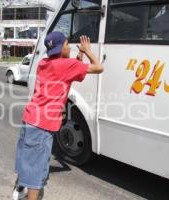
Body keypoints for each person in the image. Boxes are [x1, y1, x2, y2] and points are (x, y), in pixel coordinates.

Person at [13, 31, 104, 200]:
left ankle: (19, 188)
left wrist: (79, 55)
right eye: (67, 44)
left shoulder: (44, 63)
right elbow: (99, 67)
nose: (69, 46)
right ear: (61, 48)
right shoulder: (66, 66)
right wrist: (88, 51)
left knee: (26, 157)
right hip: (42, 124)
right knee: (37, 167)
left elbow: (71, 70)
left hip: (30, 117)